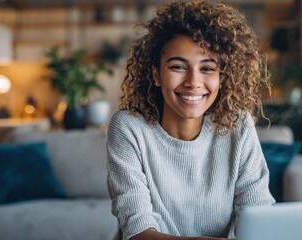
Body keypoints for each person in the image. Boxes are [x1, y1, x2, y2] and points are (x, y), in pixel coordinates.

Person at [106, 1, 275, 239]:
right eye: (178, 67)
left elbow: (258, 219)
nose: (193, 82)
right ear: (156, 73)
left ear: (222, 76)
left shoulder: (238, 125)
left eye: (207, 68)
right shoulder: (128, 127)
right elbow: (138, 233)